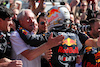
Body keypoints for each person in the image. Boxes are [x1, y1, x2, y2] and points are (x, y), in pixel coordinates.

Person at [15, 6, 100, 67]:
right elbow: (93, 42)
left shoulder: (53, 36)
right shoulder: (76, 34)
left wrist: (19, 27)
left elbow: (30, 39)